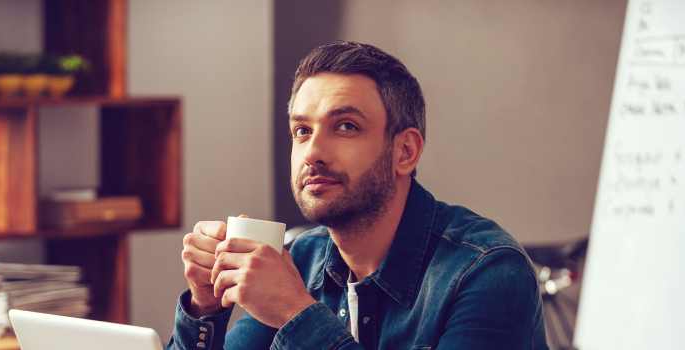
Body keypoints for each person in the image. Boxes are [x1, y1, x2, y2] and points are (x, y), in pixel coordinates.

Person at [168, 41, 548, 350]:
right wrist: (205, 306)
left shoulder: (488, 272)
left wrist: (296, 313)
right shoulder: (301, 258)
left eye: (346, 126)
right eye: (302, 131)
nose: (313, 153)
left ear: (405, 152)